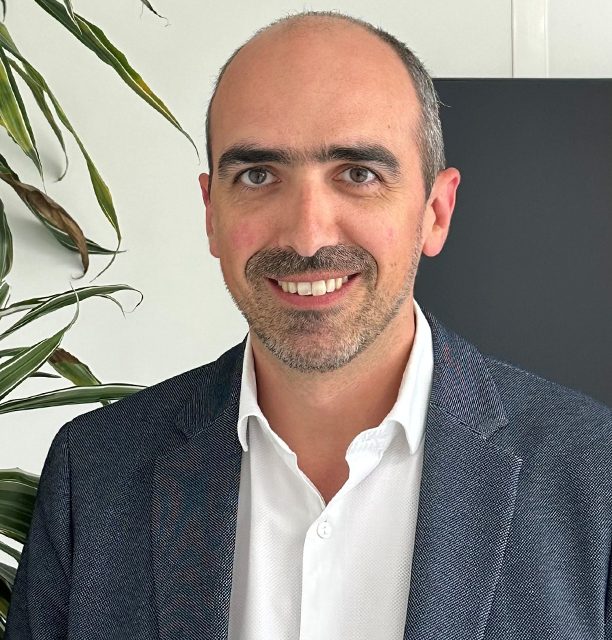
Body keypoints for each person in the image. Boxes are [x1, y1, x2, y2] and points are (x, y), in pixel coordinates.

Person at [5, 11, 612, 640]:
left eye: (358, 174)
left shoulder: (593, 473)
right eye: (258, 176)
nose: (307, 235)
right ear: (211, 214)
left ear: (435, 211)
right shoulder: (95, 474)